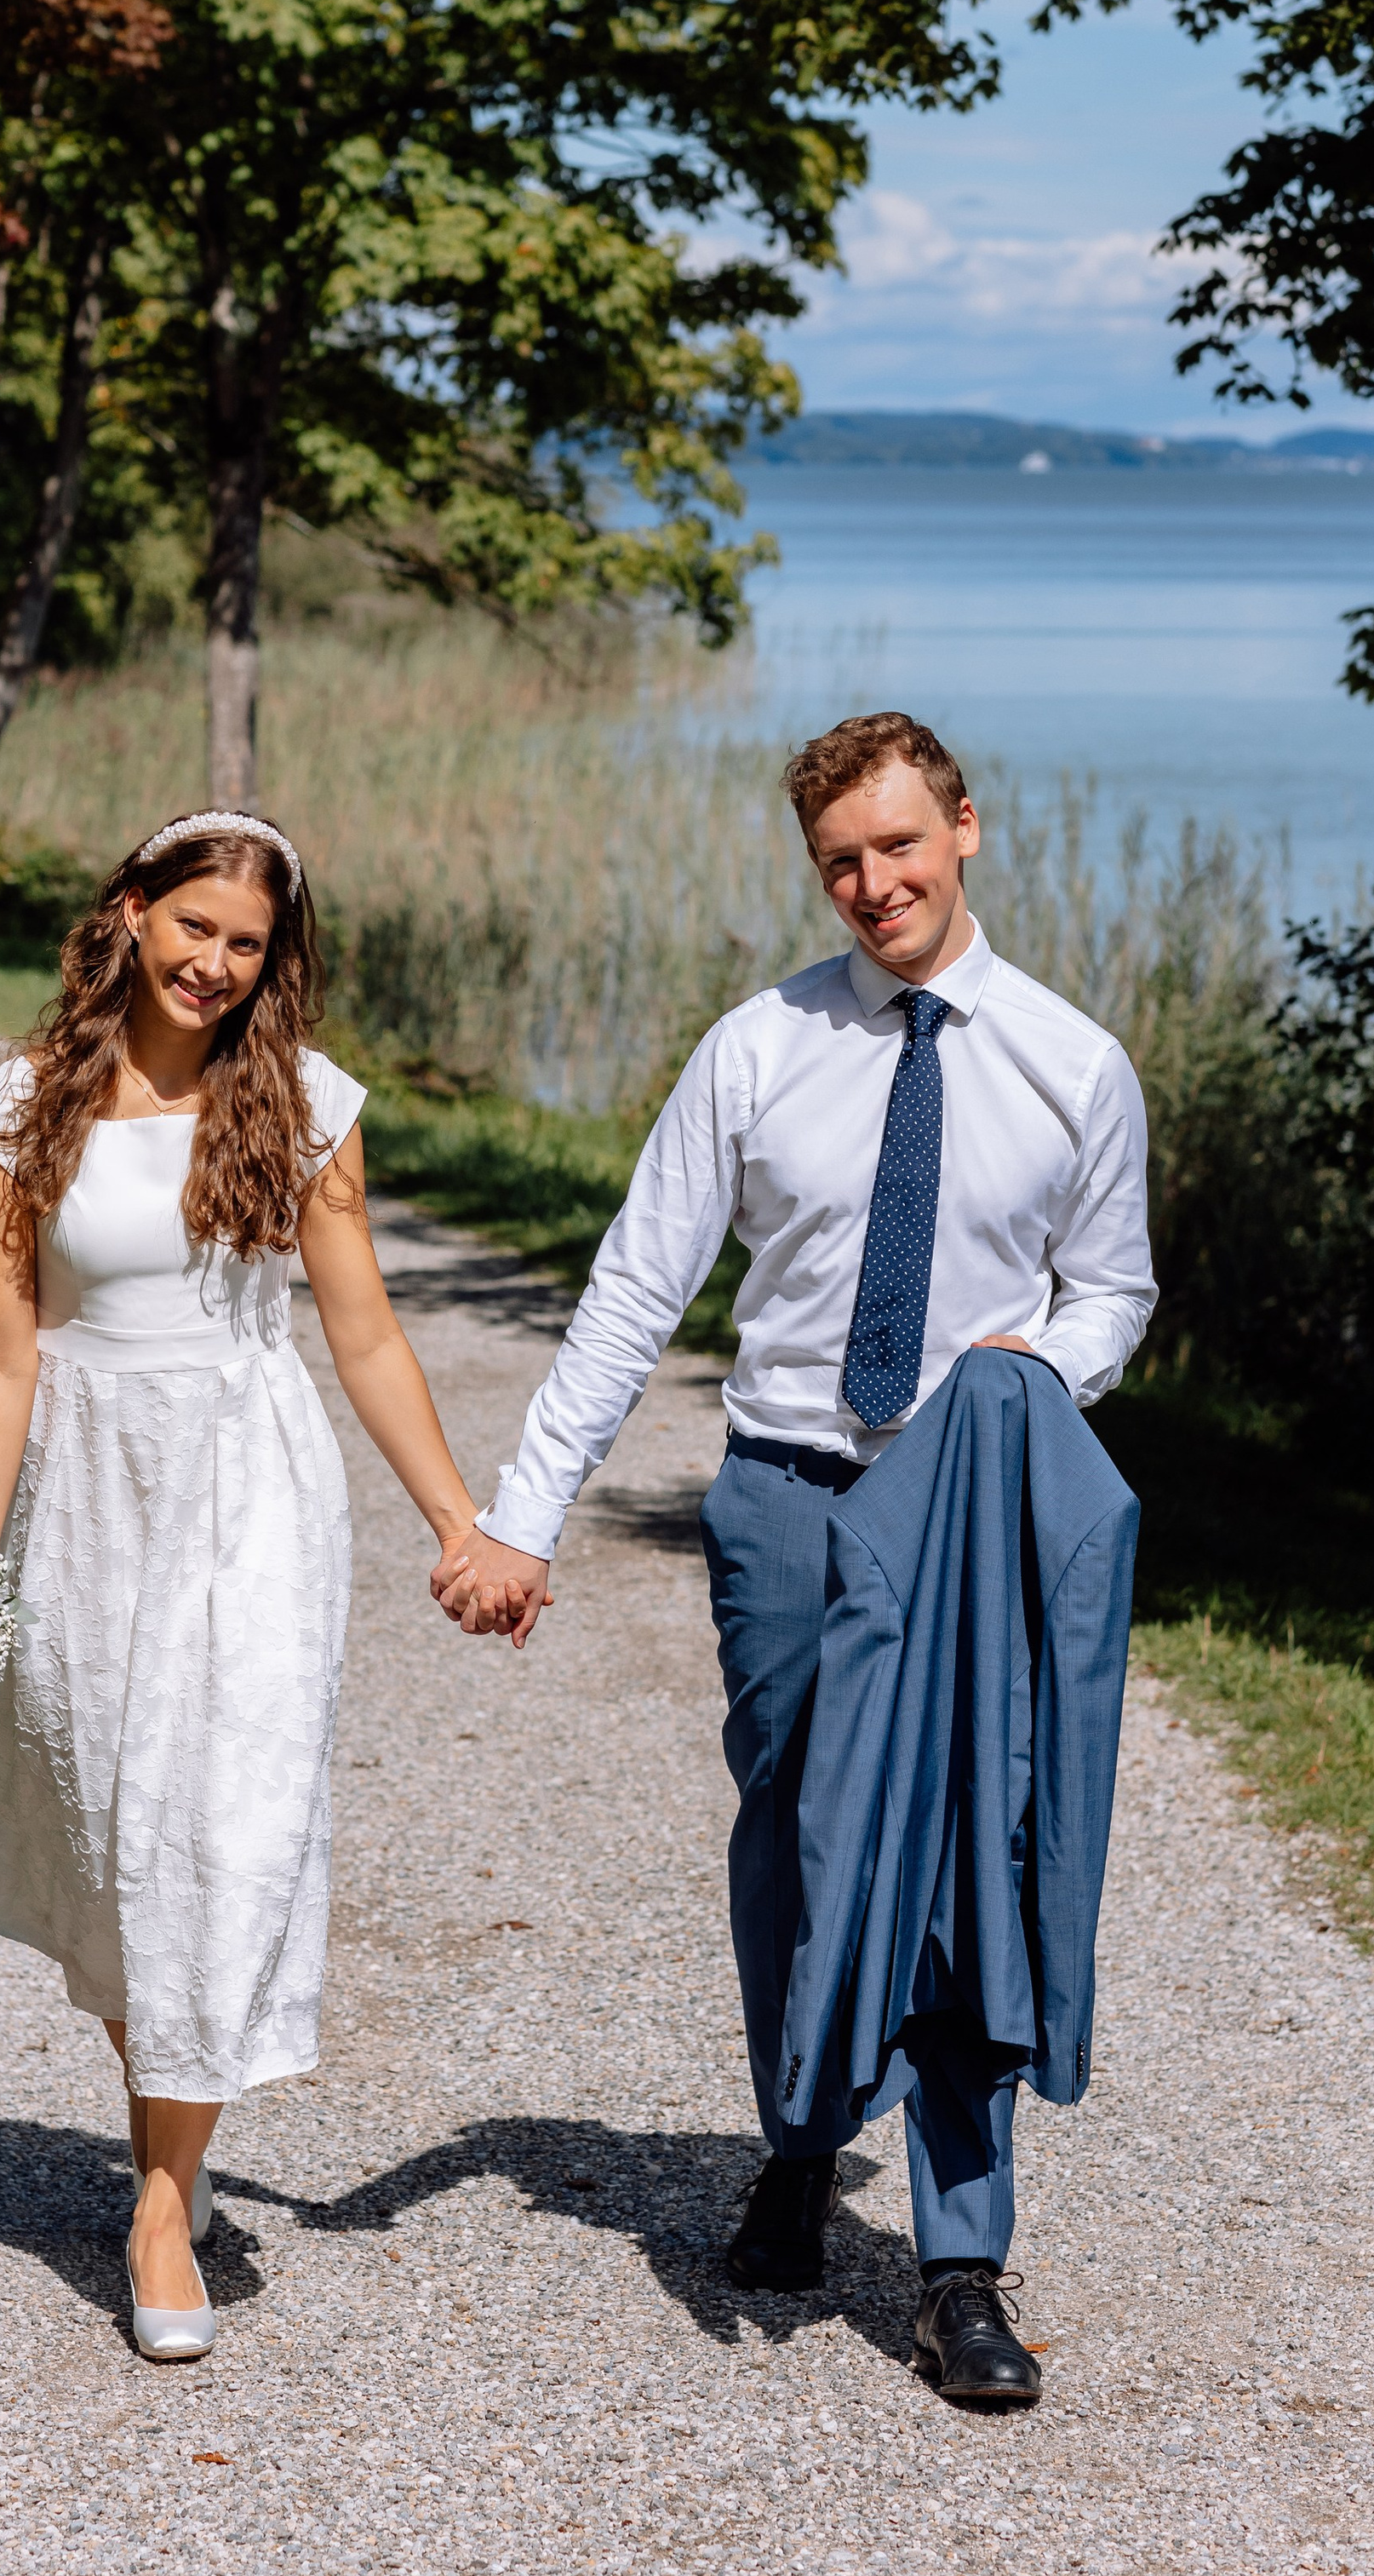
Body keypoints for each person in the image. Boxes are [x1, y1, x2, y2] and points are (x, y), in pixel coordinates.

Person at [431, 712, 1156, 2401]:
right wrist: (524, 1514)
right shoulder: (756, 1049)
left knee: (970, 1853)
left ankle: (960, 2262)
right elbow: (636, 1284)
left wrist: (1037, 1373)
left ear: (963, 828)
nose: (872, 884)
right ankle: (799, 2137)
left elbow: (1111, 1286)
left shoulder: (1073, 1063)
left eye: (898, 845)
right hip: (784, 1503)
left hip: (965, 1508)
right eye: (839, 861)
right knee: (796, 1840)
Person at [0, 809, 484, 2365]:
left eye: (248, 945)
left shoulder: (302, 1105)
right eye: (196, 928)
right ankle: (166, 2132)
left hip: (252, 1491)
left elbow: (364, 1333)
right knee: (115, 1847)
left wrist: (459, 1522)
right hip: (85, 1500)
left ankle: (164, 2208)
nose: (217, 965)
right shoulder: (17, 1114)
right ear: (132, 911)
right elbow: (0, 1355)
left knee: (222, 1834)